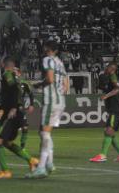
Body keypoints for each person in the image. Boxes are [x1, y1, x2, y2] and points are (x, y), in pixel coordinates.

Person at [26, 41, 68, 179]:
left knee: (44, 133)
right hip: (60, 100)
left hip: (51, 101)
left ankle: (42, 167)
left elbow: (49, 79)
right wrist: (60, 91)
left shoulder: (47, 60)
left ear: (47, 48)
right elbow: (66, 82)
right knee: (44, 132)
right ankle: (49, 163)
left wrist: (38, 84)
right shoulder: (60, 62)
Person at [0, 57, 38, 179]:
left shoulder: (7, 74)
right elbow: (13, 92)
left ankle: (6, 171)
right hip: (15, 112)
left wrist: (14, 107)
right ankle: (31, 160)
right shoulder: (17, 77)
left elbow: (14, 89)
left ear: (2, 64)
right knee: (6, 142)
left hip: (11, 113)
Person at [89, 62, 119, 163]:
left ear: (112, 69)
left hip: (115, 109)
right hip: (113, 109)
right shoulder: (108, 78)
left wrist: (106, 96)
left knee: (108, 131)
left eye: (107, 67)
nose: (106, 68)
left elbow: (118, 89)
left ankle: (103, 155)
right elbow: (106, 87)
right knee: (110, 132)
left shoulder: (113, 76)